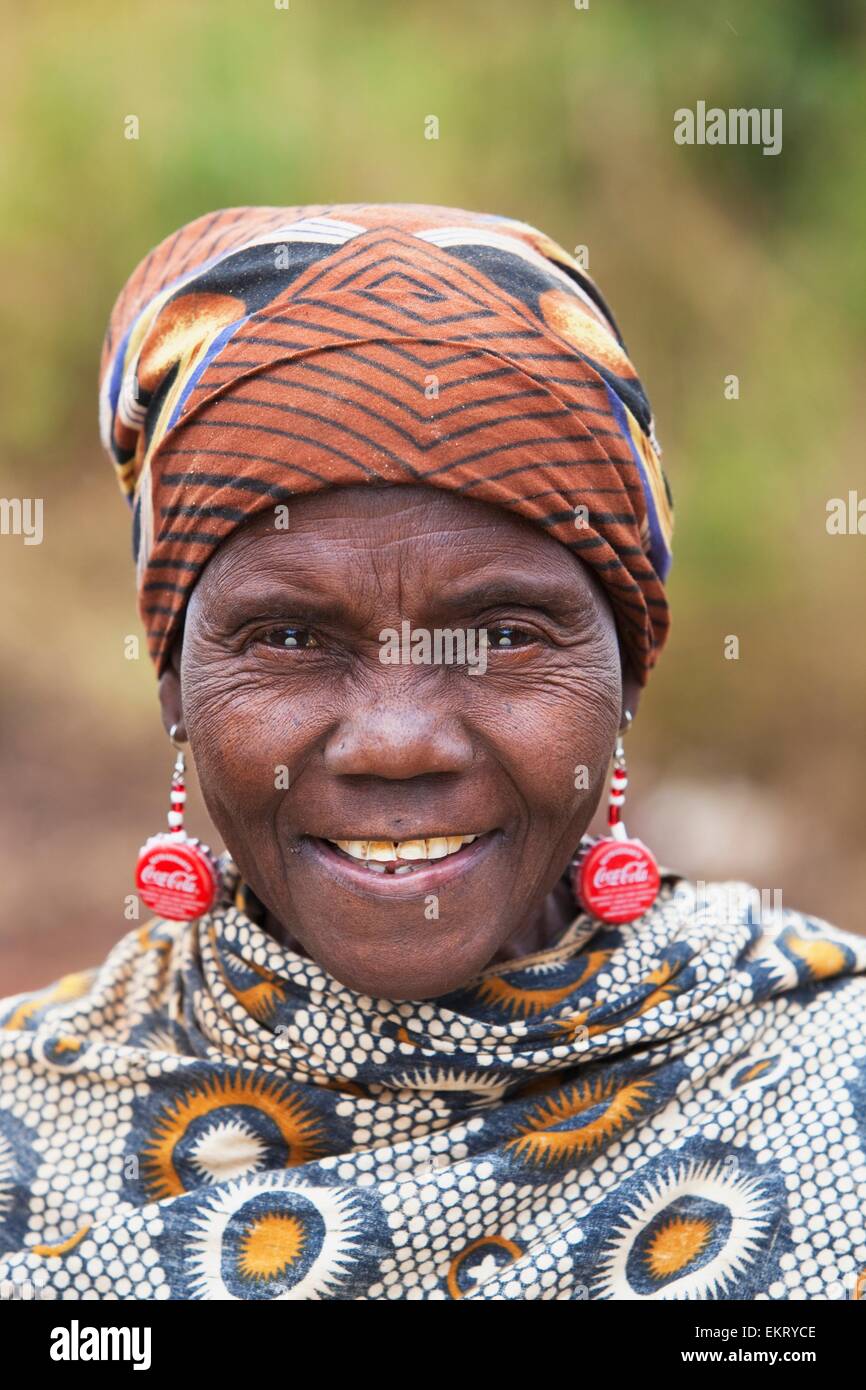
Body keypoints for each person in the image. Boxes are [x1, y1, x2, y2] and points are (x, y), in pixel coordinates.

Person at [1, 203, 864, 1302]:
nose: (397, 744)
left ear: (630, 671)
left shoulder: (826, 1080)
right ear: (173, 679)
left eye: (501, 635)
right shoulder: (21, 1128)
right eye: (291, 638)